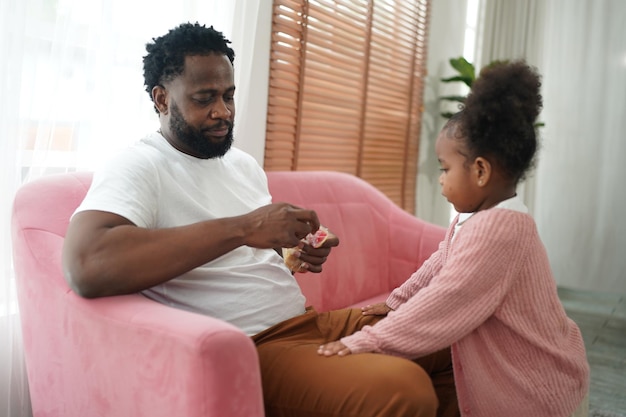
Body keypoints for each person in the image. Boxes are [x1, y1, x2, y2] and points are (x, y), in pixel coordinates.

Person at [62, 22, 459, 417]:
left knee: (457, 338)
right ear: (162, 99)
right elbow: (86, 264)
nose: (223, 112)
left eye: (228, 96)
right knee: (402, 391)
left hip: (308, 324)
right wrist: (246, 227)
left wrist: (293, 253)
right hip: (255, 347)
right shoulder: (140, 165)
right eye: (205, 99)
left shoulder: (242, 165)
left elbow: (246, 256)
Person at [318, 60, 590, 417]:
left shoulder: (500, 231)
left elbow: (448, 298)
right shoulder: (480, 218)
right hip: (536, 376)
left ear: (479, 170)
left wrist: (366, 341)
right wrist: (396, 301)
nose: (441, 180)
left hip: (538, 390)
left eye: (445, 169)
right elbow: (440, 263)